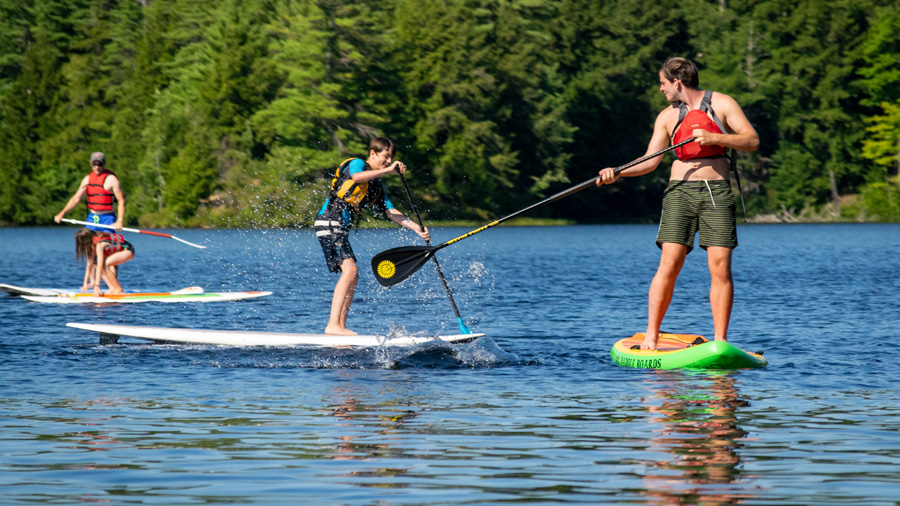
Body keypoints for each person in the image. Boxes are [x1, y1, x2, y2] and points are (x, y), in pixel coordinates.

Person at [597, 57, 759, 351]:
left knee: (720, 268)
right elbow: (650, 162)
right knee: (669, 264)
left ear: (677, 82)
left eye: (662, 83)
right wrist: (616, 172)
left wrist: (714, 136)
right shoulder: (667, 117)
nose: (661, 89)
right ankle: (651, 336)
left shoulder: (722, 103)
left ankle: (720, 341)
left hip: (716, 193)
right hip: (679, 193)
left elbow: (751, 140)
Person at [316, 137, 430, 335]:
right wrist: (388, 170)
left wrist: (416, 229)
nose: (388, 161)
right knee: (350, 270)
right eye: (385, 157)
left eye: (391, 158)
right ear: (373, 154)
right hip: (329, 221)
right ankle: (333, 325)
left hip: (339, 228)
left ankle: (340, 326)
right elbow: (357, 177)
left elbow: (390, 211)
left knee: (353, 274)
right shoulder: (358, 163)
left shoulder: (377, 185)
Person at [54, 152, 125, 232]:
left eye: (100, 164)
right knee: (86, 242)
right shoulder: (87, 180)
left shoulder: (112, 180)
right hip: (92, 218)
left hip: (107, 219)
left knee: (103, 244)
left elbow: (121, 201)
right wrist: (62, 213)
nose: (97, 167)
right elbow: (76, 198)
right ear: (91, 164)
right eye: (95, 164)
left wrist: (119, 221)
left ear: (104, 164)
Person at [75, 228, 135, 296]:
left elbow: (100, 266)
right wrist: (85, 284)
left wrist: (97, 286)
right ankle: (112, 287)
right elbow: (89, 265)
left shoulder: (99, 245)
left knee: (106, 263)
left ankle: (118, 289)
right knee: (99, 265)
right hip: (117, 254)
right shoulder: (91, 248)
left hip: (128, 251)